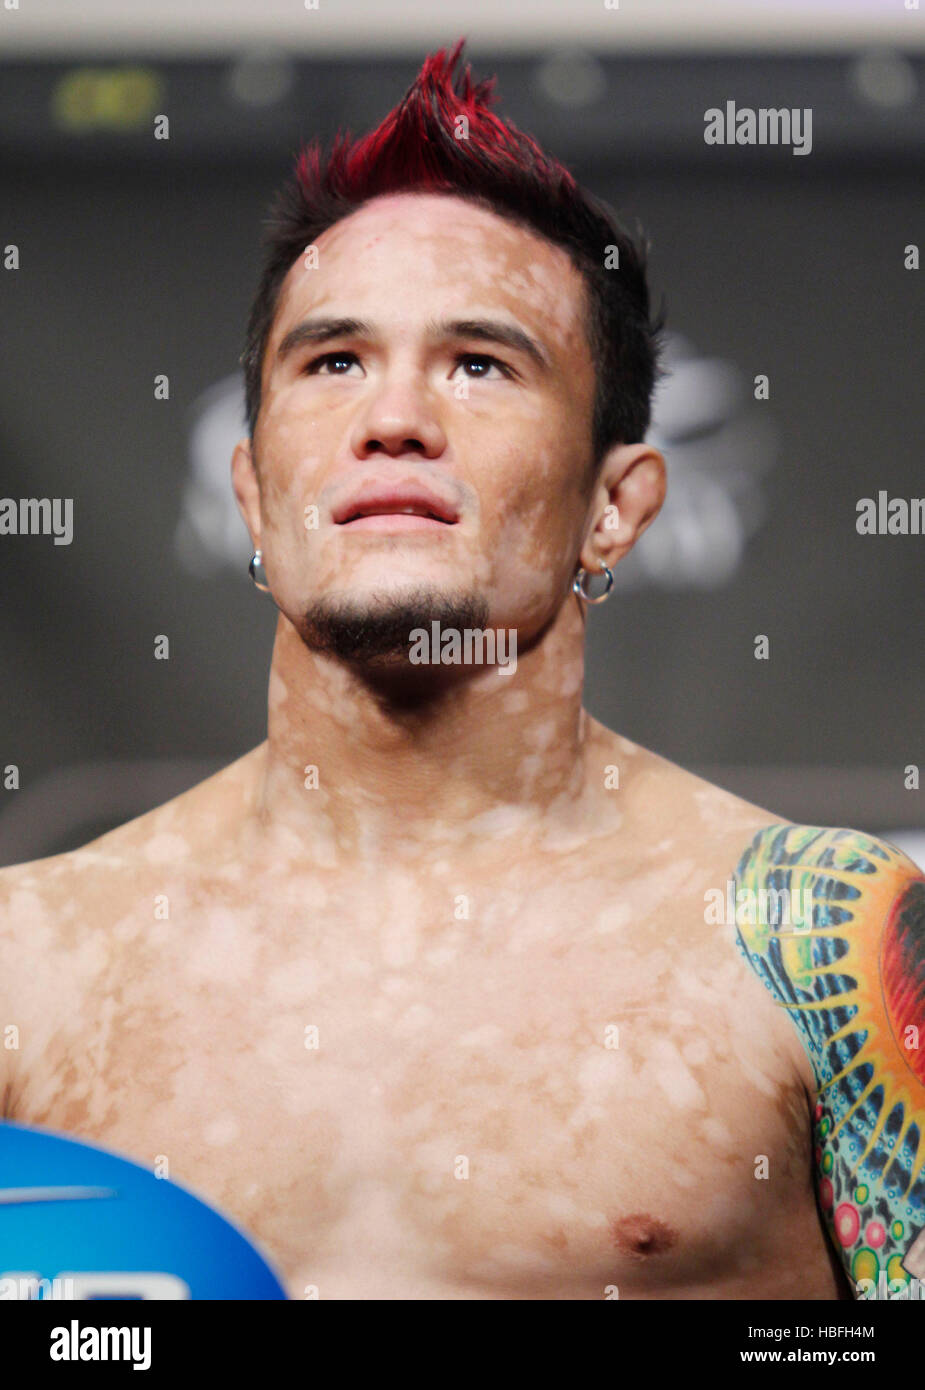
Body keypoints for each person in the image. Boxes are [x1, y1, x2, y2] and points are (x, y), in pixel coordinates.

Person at [1, 40, 922, 1302]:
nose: (395, 415)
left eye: (480, 363)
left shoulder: (822, 942)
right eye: (332, 361)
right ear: (252, 488)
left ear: (615, 505)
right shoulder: (29, 964)